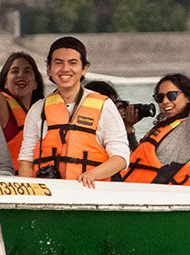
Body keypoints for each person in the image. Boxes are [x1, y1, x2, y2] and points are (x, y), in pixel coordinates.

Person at [17, 36, 130, 187]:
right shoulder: (38, 109)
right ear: (49, 69)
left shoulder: (105, 106)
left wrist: (92, 174)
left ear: (84, 69)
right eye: (58, 62)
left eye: (73, 63)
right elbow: (26, 159)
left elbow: (121, 157)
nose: (65, 69)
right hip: (48, 193)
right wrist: (29, 192)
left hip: (90, 192)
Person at [121, 72, 190, 184]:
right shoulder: (161, 128)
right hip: (137, 187)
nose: (165, 101)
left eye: (172, 96)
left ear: (188, 98)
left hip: (160, 193)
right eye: (160, 97)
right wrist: (128, 129)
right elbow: (140, 160)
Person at [0, 50, 45, 170]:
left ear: (36, 84)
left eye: (27, 71)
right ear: (5, 83)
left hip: (43, 182)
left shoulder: (45, 112)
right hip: (11, 183)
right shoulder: (3, 108)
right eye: (15, 71)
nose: (21, 75)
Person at [84, 79, 141, 151]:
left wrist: (127, 128)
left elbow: (138, 158)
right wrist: (114, 121)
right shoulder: (87, 130)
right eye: (112, 105)